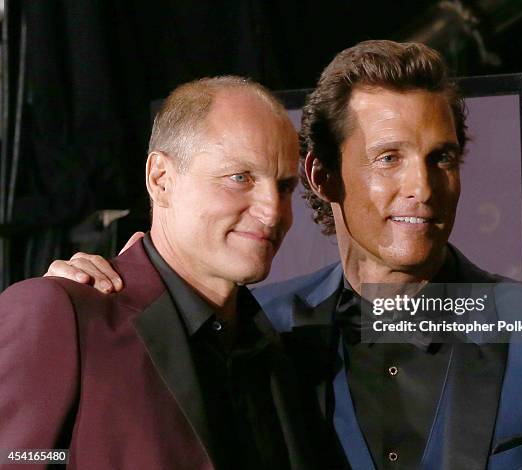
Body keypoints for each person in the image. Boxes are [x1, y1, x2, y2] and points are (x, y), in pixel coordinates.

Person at [44, 41, 522, 469]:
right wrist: (89, 297)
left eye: (441, 158)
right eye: (389, 157)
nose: (423, 186)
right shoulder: (258, 332)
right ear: (322, 175)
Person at [0, 76, 345, 469]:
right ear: (161, 179)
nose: (273, 211)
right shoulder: (64, 313)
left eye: (284, 187)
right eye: (240, 178)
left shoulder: (274, 353)